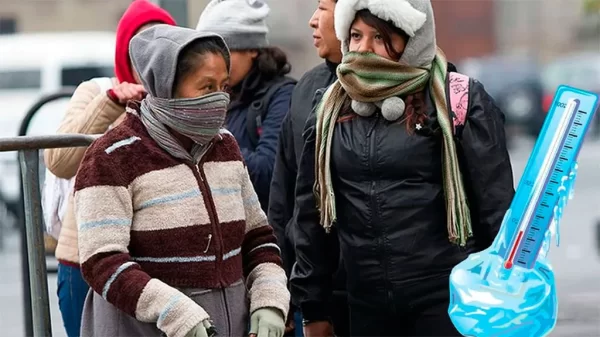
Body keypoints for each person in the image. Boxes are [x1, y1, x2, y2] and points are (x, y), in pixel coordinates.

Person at [290, 0, 515, 336]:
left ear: (411, 41)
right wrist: (313, 307)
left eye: (379, 37)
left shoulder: (456, 100)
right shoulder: (329, 110)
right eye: (355, 35)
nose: (363, 49)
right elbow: (311, 216)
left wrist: (504, 294)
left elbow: (496, 209)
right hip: (366, 307)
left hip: (446, 301)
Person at [74, 24, 289, 337]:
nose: (218, 100)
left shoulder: (225, 146)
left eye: (224, 86)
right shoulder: (112, 156)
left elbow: (258, 239)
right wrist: (174, 312)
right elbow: (102, 261)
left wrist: (269, 300)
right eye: (205, 88)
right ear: (166, 87)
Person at [43, 1, 175, 335]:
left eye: (160, 46)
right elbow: (59, 162)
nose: (149, 58)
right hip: (85, 260)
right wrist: (112, 102)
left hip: (158, 262)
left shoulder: (181, 101)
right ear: (124, 51)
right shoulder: (97, 91)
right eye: (139, 47)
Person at [266, 1, 348, 336]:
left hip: (379, 295)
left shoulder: (412, 95)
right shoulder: (306, 91)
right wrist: (278, 292)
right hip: (316, 291)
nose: (313, 21)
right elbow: (284, 198)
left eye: (324, 9)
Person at [195, 0, 296, 213]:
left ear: (251, 48)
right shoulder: (220, 94)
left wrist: (209, 132)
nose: (213, 64)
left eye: (224, 52)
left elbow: (268, 173)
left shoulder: (282, 95)